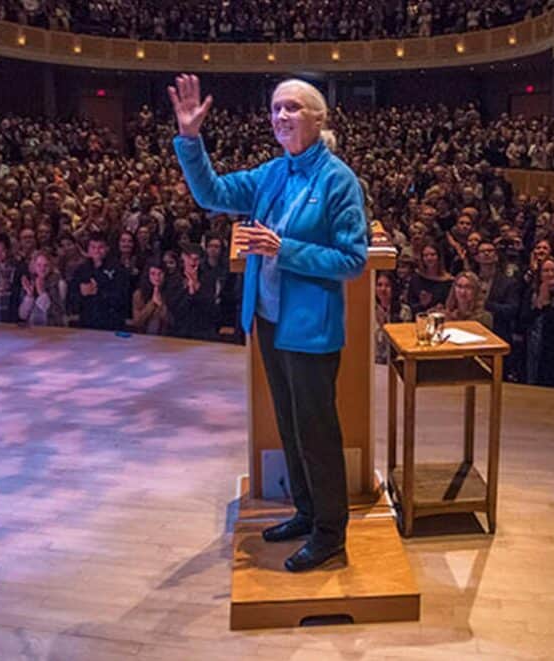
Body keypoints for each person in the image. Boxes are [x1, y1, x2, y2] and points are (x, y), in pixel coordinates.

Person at [171, 74, 367, 572]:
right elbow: (211, 193)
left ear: (319, 118)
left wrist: (288, 250)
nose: (281, 117)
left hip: (311, 329)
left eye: (293, 108)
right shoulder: (272, 174)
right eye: (276, 108)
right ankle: (306, 511)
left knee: (316, 433)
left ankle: (331, 534)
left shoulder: (338, 179)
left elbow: (353, 260)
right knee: (290, 426)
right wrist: (190, 140)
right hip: (271, 321)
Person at [520, 257, 554, 388]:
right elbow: (523, 320)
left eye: (553, 270)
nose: (550, 274)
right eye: (545, 271)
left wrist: (547, 304)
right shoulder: (531, 293)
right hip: (532, 349)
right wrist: (538, 307)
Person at [68, 232, 131, 331]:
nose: (97, 251)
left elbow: (123, 297)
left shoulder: (118, 269)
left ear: (107, 248)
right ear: (88, 249)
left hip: (112, 323)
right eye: (93, 247)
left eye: (100, 247)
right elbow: (71, 298)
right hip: (87, 322)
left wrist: (99, 292)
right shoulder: (81, 270)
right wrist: (81, 293)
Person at [18, 251, 68, 327]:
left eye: (46, 265)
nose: (42, 269)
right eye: (39, 265)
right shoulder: (30, 282)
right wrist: (29, 295)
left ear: (51, 266)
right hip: (32, 331)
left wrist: (42, 293)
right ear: (34, 266)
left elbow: (57, 313)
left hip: (53, 330)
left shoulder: (59, 283)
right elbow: (22, 315)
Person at [374, 271, 412, 364]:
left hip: (394, 363)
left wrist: (384, 325)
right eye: (379, 285)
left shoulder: (404, 311)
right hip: (373, 364)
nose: (383, 289)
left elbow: (403, 343)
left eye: (387, 286)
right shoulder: (369, 310)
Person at [132, 258, 170, 335]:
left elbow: (171, 322)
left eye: (160, 273)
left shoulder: (172, 292)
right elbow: (137, 322)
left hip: (166, 339)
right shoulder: (139, 294)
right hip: (143, 337)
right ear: (147, 275)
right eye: (153, 274)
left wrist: (160, 305)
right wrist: (152, 303)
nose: (157, 277)